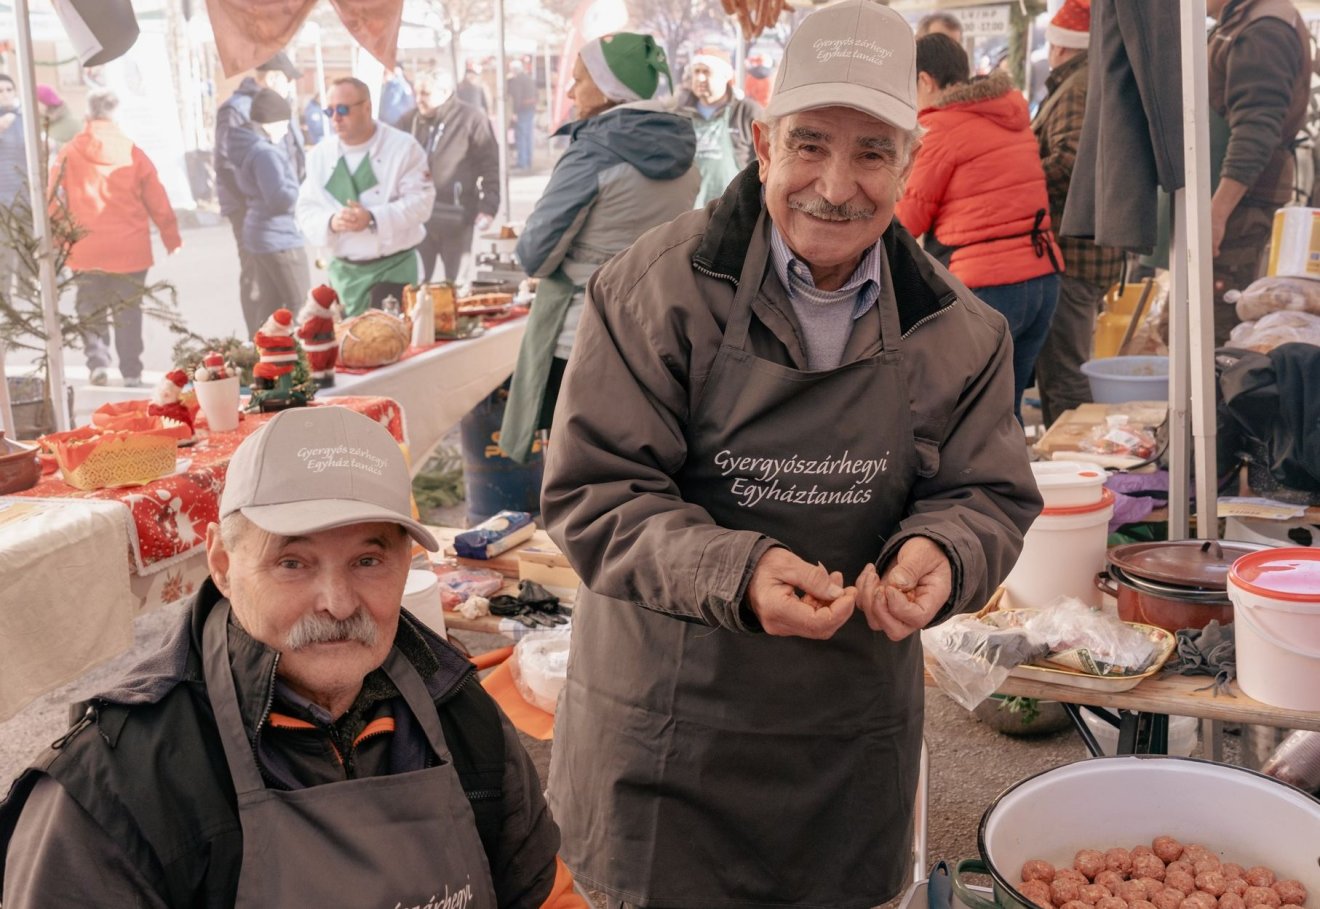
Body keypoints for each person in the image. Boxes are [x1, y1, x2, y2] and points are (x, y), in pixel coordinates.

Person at [538, 2, 1041, 906]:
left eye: (872, 152)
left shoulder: (961, 332)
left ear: (910, 162)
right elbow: (596, 493)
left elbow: (988, 494)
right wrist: (738, 567)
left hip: (844, 737)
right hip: (666, 729)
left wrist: (946, 551)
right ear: (763, 145)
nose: (836, 187)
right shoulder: (653, 292)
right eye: (810, 145)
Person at [0, 405, 587, 907]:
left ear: (407, 564)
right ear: (224, 567)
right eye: (292, 563)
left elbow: (543, 894)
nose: (336, 603)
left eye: (367, 560)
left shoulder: (460, 712)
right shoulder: (115, 786)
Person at [497, 32, 699, 464]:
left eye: (578, 79)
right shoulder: (684, 150)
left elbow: (535, 253)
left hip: (580, 335)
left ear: (610, 88)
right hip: (655, 331)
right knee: (635, 467)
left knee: (575, 472)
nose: (570, 91)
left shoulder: (593, 152)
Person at [896, 33, 1062, 422]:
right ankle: (1015, 483)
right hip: (1041, 278)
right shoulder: (1007, 114)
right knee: (1006, 413)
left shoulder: (941, 129)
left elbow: (906, 221)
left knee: (970, 418)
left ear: (925, 81)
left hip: (988, 284)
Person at [1031, 0, 1126, 426]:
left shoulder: (1077, 87)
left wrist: (1019, 175)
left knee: (1064, 370)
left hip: (1074, 252)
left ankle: (1074, 464)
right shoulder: (1086, 81)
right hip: (1085, 249)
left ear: (1061, 45)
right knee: (1061, 367)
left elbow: (1069, 162)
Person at [51, 88, 181, 388]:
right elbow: (157, 197)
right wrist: (170, 237)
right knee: (128, 310)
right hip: (130, 249)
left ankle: (97, 363)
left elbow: (53, 199)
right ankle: (132, 371)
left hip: (84, 248)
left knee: (90, 306)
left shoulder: (69, 152)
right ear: (116, 116)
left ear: (88, 115)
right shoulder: (133, 151)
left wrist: (58, 239)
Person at [1207, 0, 1311, 345]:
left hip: (1241, 206)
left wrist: (1218, 211)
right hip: (1235, 202)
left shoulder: (1264, 27)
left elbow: (1256, 126)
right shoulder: (1242, 20)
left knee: (1216, 333)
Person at [296, 77, 434, 317]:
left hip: (393, 270)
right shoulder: (320, 155)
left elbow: (421, 203)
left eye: (343, 110)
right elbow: (306, 209)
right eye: (330, 111)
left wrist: (372, 217)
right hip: (343, 275)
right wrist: (331, 221)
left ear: (367, 107)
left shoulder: (402, 147)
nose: (335, 118)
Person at [214, 51, 303, 341]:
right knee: (260, 285)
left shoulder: (276, 104)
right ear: (274, 77)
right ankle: (260, 349)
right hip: (256, 210)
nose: (291, 87)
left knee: (275, 292)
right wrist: (257, 202)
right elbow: (228, 164)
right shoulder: (238, 108)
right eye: (289, 80)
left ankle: (273, 349)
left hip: (276, 206)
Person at [397, 68, 500, 283]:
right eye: (417, 93)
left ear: (445, 92)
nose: (419, 100)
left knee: (457, 286)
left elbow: (489, 165)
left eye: (425, 94)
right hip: (419, 217)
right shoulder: (410, 120)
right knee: (416, 284)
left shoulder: (472, 119)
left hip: (458, 216)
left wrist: (488, 206)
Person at [229, 88, 311, 335]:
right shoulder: (266, 154)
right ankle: (304, 362)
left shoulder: (247, 147)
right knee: (302, 306)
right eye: (284, 124)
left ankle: (262, 359)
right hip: (279, 237)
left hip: (260, 234)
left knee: (270, 306)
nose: (286, 130)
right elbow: (279, 199)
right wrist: (304, 193)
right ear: (270, 123)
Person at [677, 52, 763, 207]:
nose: (700, 78)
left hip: (734, 209)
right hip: (688, 209)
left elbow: (766, 159)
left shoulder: (746, 112)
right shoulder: (680, 113)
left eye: (706, 72)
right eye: (696, 72)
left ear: (725, 76)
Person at [508, 59, 538, 170]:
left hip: (522, 110)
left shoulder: (517, 80)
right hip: (530, 109)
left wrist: (514, 112)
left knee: (521, 136)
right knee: (528, 136)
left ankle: (522, 162)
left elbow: (517, 96)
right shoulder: (529, 78)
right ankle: (528, 161)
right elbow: (536, 93)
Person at [35, 84, 78, 148]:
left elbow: (82, 150)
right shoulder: (32, 122)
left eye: (36, 101)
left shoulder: (73, 124)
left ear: (45, 103)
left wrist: (55, 145)